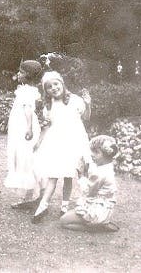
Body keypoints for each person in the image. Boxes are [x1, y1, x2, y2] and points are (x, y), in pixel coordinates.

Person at [31, 71, 92, 223]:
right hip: (58, 142)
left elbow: (86, 117)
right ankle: (43, 206)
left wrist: (88, 104)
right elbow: (47, 126)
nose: (54, 88)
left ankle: (64, 206)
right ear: (46, 91)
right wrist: (39, 142)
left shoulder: (75, 100)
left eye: (56, 84)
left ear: (62, 84)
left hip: (75, 141)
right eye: (49, 87)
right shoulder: (49, 106)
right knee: (53, 175)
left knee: (69, 175)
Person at [4, 60, 45, 209]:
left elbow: (28, 109)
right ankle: (30, 196)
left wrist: (28, 128)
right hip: (19, 126)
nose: (18, 74)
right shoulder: (26, 89)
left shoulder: (27, 91)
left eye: (21, 72)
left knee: (26, 159)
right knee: (24, 159)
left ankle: (33, 196)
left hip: (24, 127)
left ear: (27, 75)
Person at [59, 135, 119, 232]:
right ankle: (101, 222)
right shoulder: (107, 167)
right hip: (104, 208)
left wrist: (81, 175)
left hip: (97, 210)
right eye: (92, 151)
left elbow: (88, 191)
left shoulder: (101, 173)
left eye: (96, 152)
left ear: (106, 155)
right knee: (72, 215)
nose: (92, 155)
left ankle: (95, 227)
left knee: (63, 221)